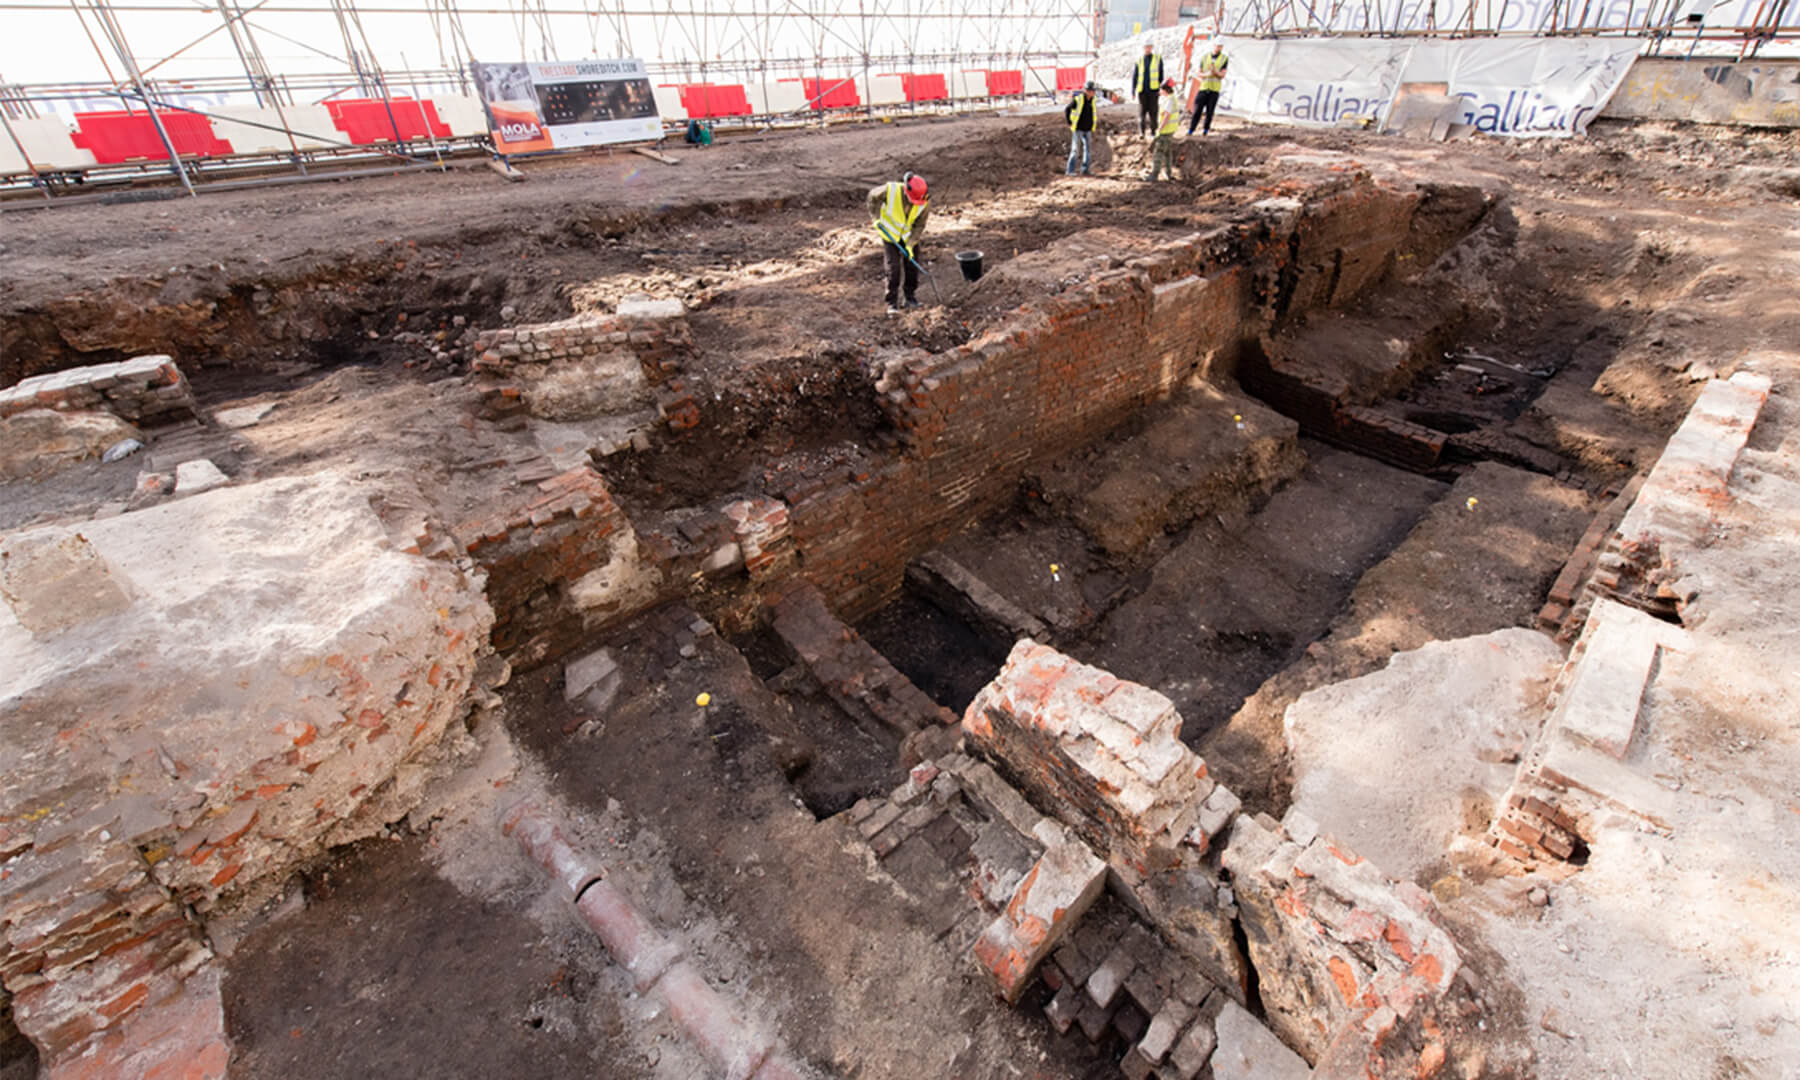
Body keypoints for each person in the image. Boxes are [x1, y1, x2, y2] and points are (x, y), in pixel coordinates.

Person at [868, 171, 930, 314]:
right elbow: (872, 197)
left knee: (912, 267)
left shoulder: (924, 200)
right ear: (906, 190)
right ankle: (892, 303)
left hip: (908, 235)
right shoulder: (890, 190)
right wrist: (875, 218)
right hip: (890, 235)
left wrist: (910, 244)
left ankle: (910, 298)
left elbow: (920, 225)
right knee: (893, 269)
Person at [1187, 42, 1228, 136]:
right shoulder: (1205, 57)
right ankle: (1191, 129)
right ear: (1214, 46)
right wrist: (1206, 74)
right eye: (1218, 46)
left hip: (1214, 89)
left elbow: (1222, 74)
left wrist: (1215, 72)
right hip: (1204, 87)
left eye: (1220, 46)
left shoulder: (1224, 58)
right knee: (1197, 110)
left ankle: (1205, 130)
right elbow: (1199, 72)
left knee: (1210, 111)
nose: (1219, 48)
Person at [1144, 80, 1179, 182]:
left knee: (1158, 153)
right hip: (1170, 130)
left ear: (1165, 90)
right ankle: (1168, 173)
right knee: (1167, 153)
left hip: (1165, 131)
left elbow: (1167, 116)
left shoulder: (1169, 100)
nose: (1160, 91)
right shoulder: (1172, 98)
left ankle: (1154, 175)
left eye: (1161, 89)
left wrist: (1160, 129)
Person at [1064, 82, 1098, 176]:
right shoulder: (1078, 99)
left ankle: (1085, 169)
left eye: (1094, 91)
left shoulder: (1093, 100)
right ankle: (1070, 171)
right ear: (1087, 91)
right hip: (1078, 128)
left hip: (1088, 129)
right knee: (1075, 150)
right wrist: (1070, 123)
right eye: (1092, 91)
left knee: (1087, 150)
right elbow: (1067, 109)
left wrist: (1093, 126)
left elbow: (1093, 114)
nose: (1093, 92)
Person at [1131, 43, 1165, 136]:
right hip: (1142, 91)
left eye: (1149, 47)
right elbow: (1135, 76)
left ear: (1152, 47)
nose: (1148, 49)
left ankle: (1153, 132)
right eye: (1146, 47)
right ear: (1143, 48)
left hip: (1154, 91)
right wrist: (1133, 90)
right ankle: (1142, 132)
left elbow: (1161, 75)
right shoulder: (1140, 60)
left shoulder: (1157, 59)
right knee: (1142, 113)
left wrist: (1161, 89)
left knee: (1153, 113)